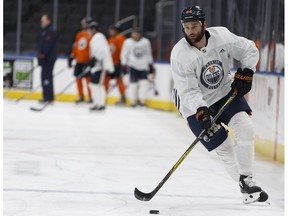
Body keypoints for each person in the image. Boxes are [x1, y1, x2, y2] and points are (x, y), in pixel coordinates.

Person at [170, 6, 268, 204]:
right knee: (224, 147)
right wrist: (202, 111)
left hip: (224, 92)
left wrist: (247, 71)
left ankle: (247, 181)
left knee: (245, 129)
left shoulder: (221, 36)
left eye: (194, 26)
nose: (190, 31)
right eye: (186, 27)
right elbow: (188, 91)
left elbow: (249, 48)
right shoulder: (180, 54)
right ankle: (247, 190)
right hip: (192, 104)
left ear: (204, 25)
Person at [120, 28, 155, 107]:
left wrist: (150, 64)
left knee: (144, 84)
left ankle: (142, 101)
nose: (135, 35)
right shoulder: (128, 42)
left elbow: (148, 53)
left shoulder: (145, 42)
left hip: (143, 66)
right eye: (133, 33)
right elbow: (124, 54)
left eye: (136, 34)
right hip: (133, 66)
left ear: (140, 34)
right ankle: (133, 101)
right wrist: (123, 65)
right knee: (133, 84)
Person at [87, 21, 114, 111]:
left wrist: (94, 59)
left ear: (94, 29)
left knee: (97, 85)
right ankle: (99, 103)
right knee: (95, 85)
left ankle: (100, 103)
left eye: (90, 30)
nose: (89, 32)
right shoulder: (97, 37)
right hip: (98, 66)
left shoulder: (98, 37)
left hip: (100, 66)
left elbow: (101, 52)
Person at [68, 17, 93, 103]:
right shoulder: (79, 34)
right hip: (79, 60)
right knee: (78, 78)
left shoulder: (91, 35)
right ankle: (81, 96)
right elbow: (76, 47)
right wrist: (72, 56)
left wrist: (90, 61)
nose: (83, 25)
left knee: (88, 79)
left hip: (87, 61)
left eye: (85, 23)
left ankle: (90, 97)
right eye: (83, 24)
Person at [37, 14, 57, 103]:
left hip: (48, 59)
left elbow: (47, 46)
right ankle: (48, 96)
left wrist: (41, 55)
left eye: (44, 20)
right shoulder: (46, 31)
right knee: (45, 77)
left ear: (49, 21)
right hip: (46, 59)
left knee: (46, 77)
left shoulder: (50, 31)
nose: (42, 22)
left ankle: (48, 97)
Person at [105, 25, 127, 105]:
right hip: (110, 63)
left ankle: (123, 97)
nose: (110, 32)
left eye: (112, 30)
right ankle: (103, 97)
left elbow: (122, 51)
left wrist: (121, 63)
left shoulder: (120, 38)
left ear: (117, 31)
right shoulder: (110, 40)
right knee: (106, 79)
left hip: (117, 63)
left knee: (119, 80)